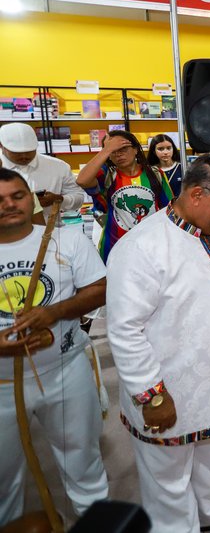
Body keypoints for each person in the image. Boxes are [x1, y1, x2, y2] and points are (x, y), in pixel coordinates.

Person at [106, 155, 210, 533]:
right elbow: (125, 330)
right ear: (196, 194)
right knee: (167, 475)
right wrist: (152, 395)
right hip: (166, 382)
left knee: (207, 450)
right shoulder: (142, 247)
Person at [0, 169, 109, 526]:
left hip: (64, 368)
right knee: (4, 472)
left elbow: (99, 288)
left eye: (17, 196)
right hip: (1, 385)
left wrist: (53, 314)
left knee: (83, 459)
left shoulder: (65, 240)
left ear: (31, 198)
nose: (8, 205)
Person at [76, 130, 174, 262]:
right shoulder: (107, 174)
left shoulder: (155, 174)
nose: (118, 154)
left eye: (123, 148)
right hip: (115, 246)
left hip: (152, 245)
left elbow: (169, 209)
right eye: (113, 150)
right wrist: (106, 150)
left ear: (135, 150)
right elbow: (82, 180)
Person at [0, 123, 85, 224]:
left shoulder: (58, 166)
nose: (24, 156)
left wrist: (59, 199)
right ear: (2, 146)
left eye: (29, 151)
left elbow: (78, 198)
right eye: (17, 152)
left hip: (49, 234)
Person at [147, 133, 183, 197]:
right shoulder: (151, 171)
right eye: (160, 149)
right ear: (154, 151)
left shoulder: (183, 167)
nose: (165, 152)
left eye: (169, 148)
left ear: (173, 149)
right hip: (161, 206)